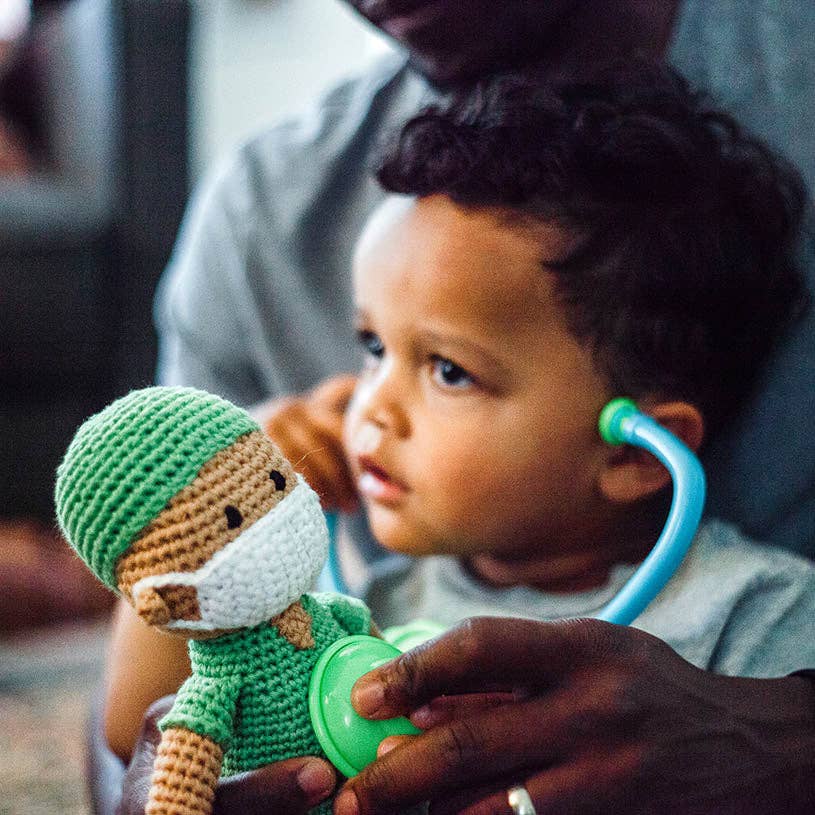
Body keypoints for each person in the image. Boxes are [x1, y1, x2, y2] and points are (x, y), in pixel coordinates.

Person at [104, 2, 815, 813]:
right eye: (373, 348)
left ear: (634, 453)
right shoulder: (368, 605)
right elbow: (136, 727)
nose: (371, 407)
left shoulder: (757, 612)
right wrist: (212, 510)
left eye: (446, 369)